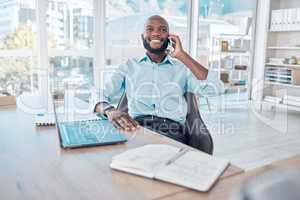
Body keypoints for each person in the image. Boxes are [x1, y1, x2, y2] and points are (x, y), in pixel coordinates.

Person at [94, 15, 208, 145]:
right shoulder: (129, 66)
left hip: (171, 132)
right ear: (142, 37)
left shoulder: (183, 68)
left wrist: (182, 55)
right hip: (136, 129)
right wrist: (110, 110)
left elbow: (214, 87)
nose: (156, 33)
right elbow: (98, 94)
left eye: (162, 29)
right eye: (150, 29)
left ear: (170, 38)